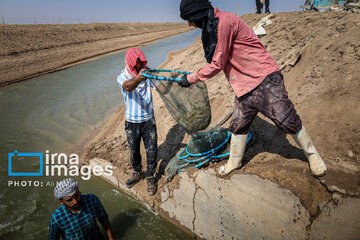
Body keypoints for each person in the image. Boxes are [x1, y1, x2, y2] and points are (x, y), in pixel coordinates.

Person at [178, 0, 327, 177]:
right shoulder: (212, 26)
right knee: (238, 125)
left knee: (285, 119)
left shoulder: (225, 22)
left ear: (197, 14)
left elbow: (218, 63)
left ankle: (312, 155)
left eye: (190, 19)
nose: (190, 24)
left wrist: (191, 78)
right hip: (243, 85)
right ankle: (234, 161)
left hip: (263, 77)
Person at [117, 47, 158, 195]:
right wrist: (140, 78)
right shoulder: (122, 76)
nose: (140, 66)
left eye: (141, 63)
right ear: (130, 62)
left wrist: (171, 79)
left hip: (148, 120)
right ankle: (137, 172)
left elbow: (160, 87)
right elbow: (128, 87)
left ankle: (151, 176)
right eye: (137, 64)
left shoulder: (148, 72)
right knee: (134, 150)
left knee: (151, 149)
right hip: (132, 122)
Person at [49, 178, 115, 240]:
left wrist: (111, 238)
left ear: (78, 191)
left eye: (76, 195)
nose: (75, 201)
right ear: (61, 201)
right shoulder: (57, 218)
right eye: (69, 200)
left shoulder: (92, 200)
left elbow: (104, 219)